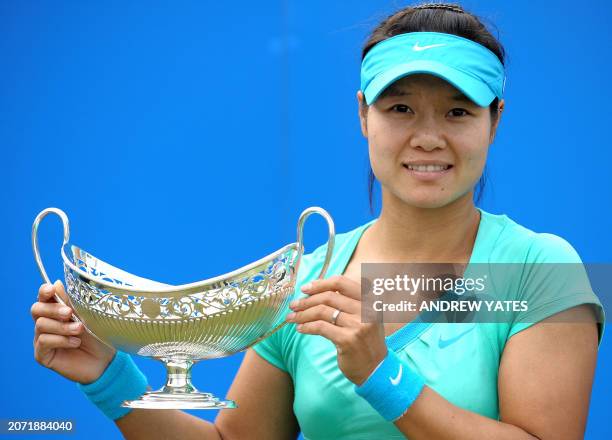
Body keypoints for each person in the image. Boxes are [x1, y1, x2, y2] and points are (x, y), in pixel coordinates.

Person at [31, 3, 605, 439]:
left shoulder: (539, 270)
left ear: (495, 121)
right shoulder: (307, 281)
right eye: (399, 108)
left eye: (458, 111)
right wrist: (109, 376)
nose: (429, 137)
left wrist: (386, 378)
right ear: (362, 114)